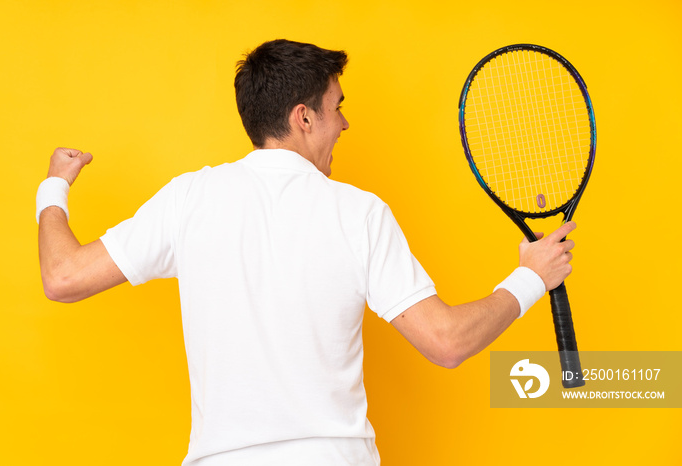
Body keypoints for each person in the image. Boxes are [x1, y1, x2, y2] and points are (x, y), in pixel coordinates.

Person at [36, 39, 575, 465]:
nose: (344, 124)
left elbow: (62, 276)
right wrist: (531, 277)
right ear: (304, 117)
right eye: (337, 108)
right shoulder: (357, 212)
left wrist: (55, 186)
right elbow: (446, 341)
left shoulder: (188, 200)